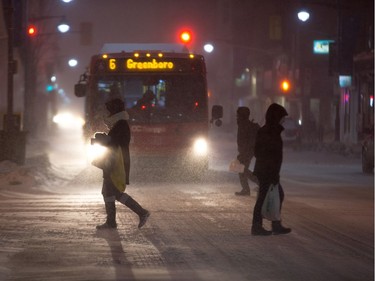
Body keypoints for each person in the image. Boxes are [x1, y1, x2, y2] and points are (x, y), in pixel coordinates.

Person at [95, 97, 150, 230]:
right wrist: (104, 138)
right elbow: (114, 141)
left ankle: (141, 212)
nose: (108, 113)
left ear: (114, 110)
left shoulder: (121, 124)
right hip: (112, 163)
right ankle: (111, 222)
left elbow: (115, 143)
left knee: (114, 192)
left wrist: (102, 138)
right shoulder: (119, 124)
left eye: (110, 110)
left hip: (115, 164)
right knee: (108, 192)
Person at [251, 103, 291, 236]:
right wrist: (272, 172)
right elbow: (262, 153)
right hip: (267, 172)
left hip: (268, 171)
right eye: (282, 118)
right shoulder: (269, 132)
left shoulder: (270, 131)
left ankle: (273, 224)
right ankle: (258, 226)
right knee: (264, 197)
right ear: (276, 117)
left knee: (273, 195)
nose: (283, 120)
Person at [235, 107, 260, 196]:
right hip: (246, 151)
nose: (236, 116)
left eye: (238, 115)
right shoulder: (243, 124)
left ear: (242, 115)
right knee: (241, 169)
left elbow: (247, 141)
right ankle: (246, 189)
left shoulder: (245, 125)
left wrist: (243, 152)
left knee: (242, 169)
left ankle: (258, 183)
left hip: (247, 151)